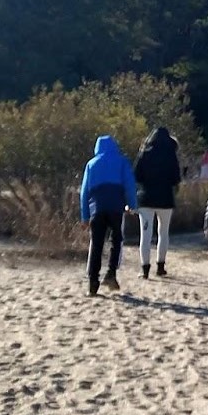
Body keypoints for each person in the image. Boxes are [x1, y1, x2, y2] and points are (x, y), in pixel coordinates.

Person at [80, 134, 137, 297]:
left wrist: (84, 216)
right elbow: (129, 185)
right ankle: (111, 273)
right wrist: (132, 205)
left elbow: (84, 192)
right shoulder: (122, 162)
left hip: (96, 209)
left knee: (96, 244)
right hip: (116, 208)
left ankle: (92, 282)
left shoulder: (91, 164)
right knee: (116, 240)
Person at [133, 127, 180, 278]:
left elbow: (136, 176)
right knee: (163, 233)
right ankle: (160, 266)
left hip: (146, 199)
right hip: (166, 199)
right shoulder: (171, 155)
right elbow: (176, 179)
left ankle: (145, 269)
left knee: (145, 235)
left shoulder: (144, 154)